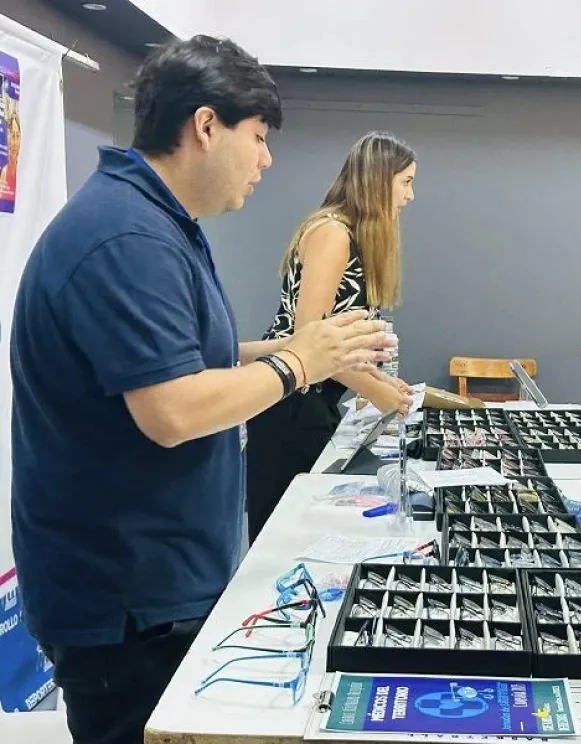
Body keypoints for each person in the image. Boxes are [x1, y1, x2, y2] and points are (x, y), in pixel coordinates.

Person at [10, 36, 392, 744]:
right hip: (128, 604)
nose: (266, 159)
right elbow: (172, 410)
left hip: (159, 585)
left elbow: (180, 361)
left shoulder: (156, 223)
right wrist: (299, 365)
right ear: (207, 125)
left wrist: (288, 347)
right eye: (258, 137)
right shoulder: (126, 238)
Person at [246, 131, 417, 542]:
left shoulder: (354, 235)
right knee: (282, 536)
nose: (411, 195)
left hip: (311, 397)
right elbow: (311, 339)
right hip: (288, 399)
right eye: (406, 182)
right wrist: (374, 392)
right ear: (379, 180)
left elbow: (337, 343)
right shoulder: (333, 232)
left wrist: (380, 382)